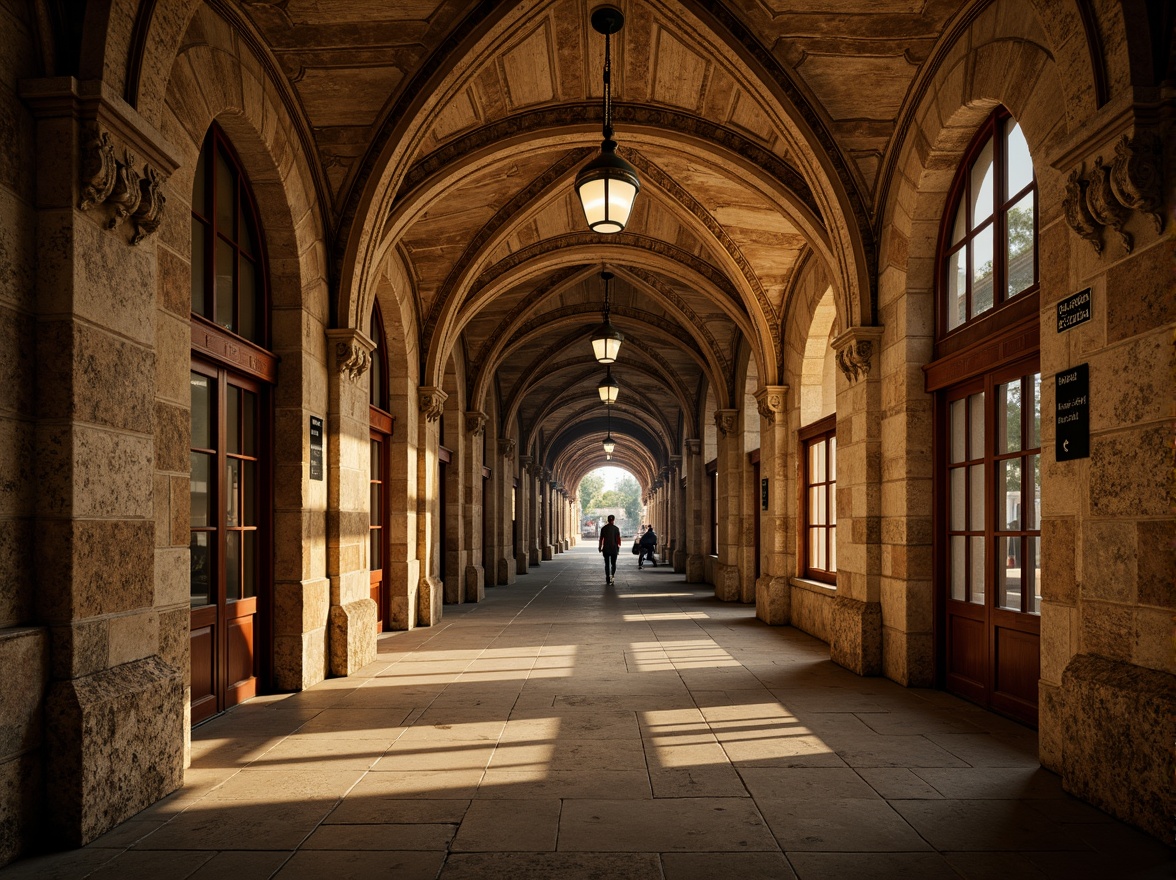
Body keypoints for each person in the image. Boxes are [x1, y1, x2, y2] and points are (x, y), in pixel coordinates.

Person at [598, 514, 621, 585]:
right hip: (614, 549)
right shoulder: (616, 529)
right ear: (613, 520)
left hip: (606, 549)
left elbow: (601, 539)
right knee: (613, 564)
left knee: (607, 564)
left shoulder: (603, 528)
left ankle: (607, 578)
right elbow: (618, 540)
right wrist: (618, 548)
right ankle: (612, 578)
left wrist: (600, 547)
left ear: (608, 520)